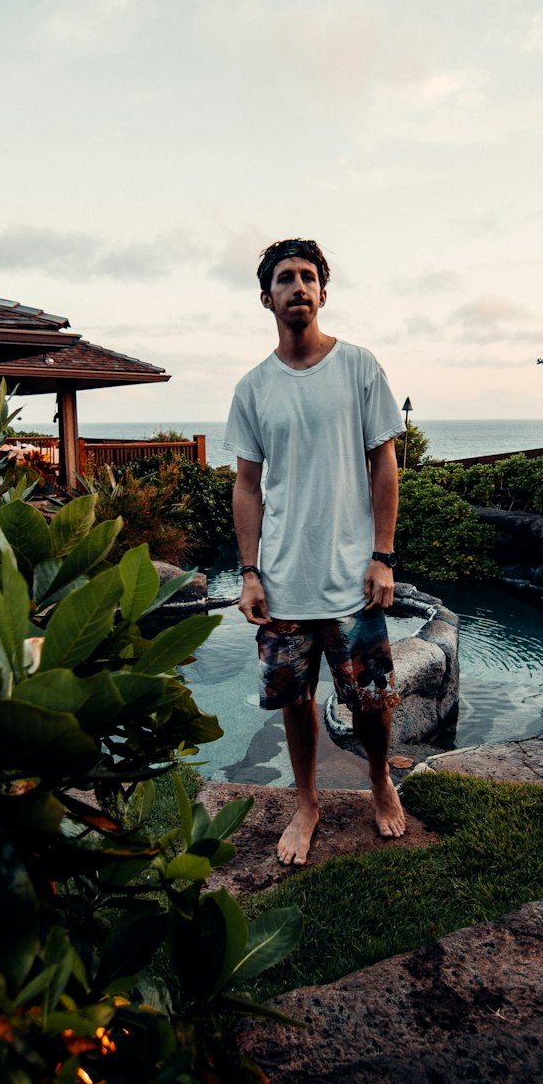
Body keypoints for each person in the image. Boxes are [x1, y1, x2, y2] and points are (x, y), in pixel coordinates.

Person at [225, 238, 407, 866]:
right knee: (293, 701)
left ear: (323, 293)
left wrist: (382, 555)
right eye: (285, 279)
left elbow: (384, 466)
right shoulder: (253, 388)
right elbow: (247, 486)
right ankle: (306, 803)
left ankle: (379, 779)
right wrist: (249, 573)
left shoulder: (358, 367)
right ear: (266, 297)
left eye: (308, 277)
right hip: (281, 581)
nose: (297, 287)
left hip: (352, 576)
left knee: (372, 700)